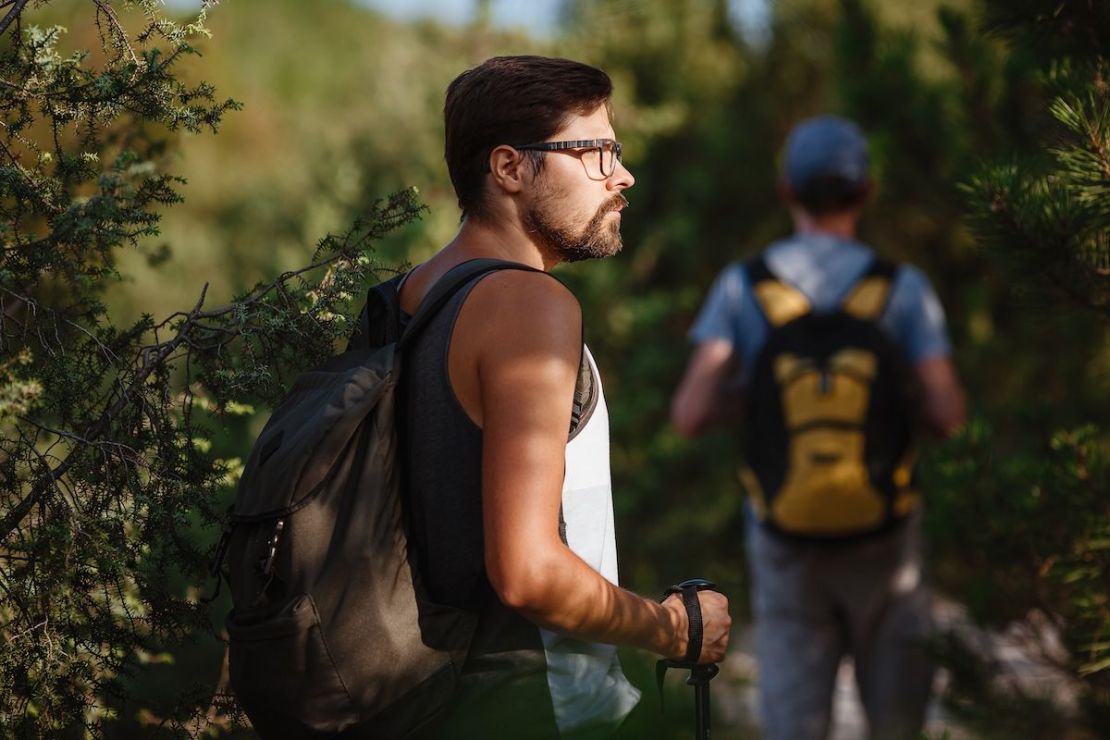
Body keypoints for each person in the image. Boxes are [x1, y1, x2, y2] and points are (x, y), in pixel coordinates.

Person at [397, 56, 730, 740]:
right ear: (509, 168)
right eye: (597, 152)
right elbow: (527, 572)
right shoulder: (528, 305)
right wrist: (673, 629)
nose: (622, 175)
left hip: (419, 703)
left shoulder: (403, 298)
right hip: (529, 708)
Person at [671, 115, 966, 740]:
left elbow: (690, 414)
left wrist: (758, 398)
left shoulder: (743, 287)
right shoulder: (903, 289)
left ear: (787, 190)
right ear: (866, 191)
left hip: (785, 540)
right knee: (897, 723)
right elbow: (949, 416)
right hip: (887, 541)